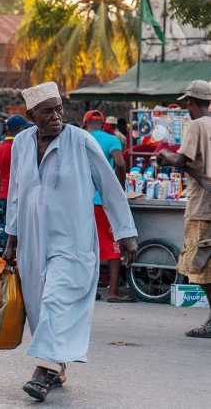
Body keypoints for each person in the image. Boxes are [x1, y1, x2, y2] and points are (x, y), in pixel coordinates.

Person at [2, 82, 137, 403]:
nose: (56, 116)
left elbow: (109, 185)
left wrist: (125, 232)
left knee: (56, 300)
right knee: (39, 304)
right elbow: (16, 193)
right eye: (47, 111)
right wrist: (11, 239)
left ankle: (44, 369)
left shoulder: (80, 141)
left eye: (59, 109)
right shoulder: (22, 143)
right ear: (31, 114)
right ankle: (59, 364)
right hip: (33, 241)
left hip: (72, 240)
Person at [158, 80, 211, 338]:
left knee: (200, 268)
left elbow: (181, 160)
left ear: (191, 102)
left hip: (202, 208)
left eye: (187, 102)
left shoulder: (196, 126)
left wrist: (165, 155)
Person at [83, 110, 134, 303]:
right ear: (104, 123)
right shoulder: (112, 140)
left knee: (88, 245)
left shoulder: (79, 139)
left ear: (84, 123)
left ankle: (89, 289)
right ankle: (113, 291)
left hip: (81, 200)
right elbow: (120, 163)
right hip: (102, 200)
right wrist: (118, 188)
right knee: (114, 244)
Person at [0, 115, 28, 211]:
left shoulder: (1, 146)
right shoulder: (16, 147)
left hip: (4, 191)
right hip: (15, 194)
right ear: (19, 129)